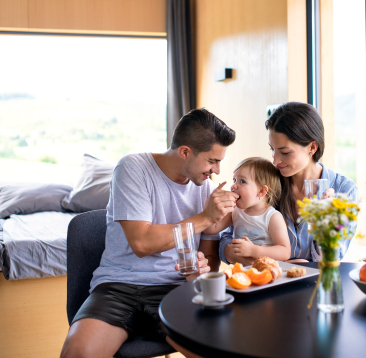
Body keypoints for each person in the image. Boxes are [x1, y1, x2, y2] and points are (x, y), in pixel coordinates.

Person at [61, 108, 238, 358]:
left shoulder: (205, 190)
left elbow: (208, 261)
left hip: (175, 290)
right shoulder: (133, 168)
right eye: (212, 161)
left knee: (223, 350)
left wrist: (201, 267)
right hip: (119, 285)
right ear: (185, 151)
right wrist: (204, 218)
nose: (217, 170)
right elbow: (141, 243)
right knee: (77, 354)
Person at [220, 102, 358, 266]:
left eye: (285, 152)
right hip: (269, 282)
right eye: (272, 149)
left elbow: (332, 259)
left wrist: (326, 228)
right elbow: (228, 234)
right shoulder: (267, 184)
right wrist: (231, 252)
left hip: (315, 284)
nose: (275, 160)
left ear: (312, 147)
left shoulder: (344, 191)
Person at [203, 157, 290, 262]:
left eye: (242, 181)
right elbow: (210, 230)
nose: (234, 185)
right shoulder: (234, 211)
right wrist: (210, 204)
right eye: (234, 180)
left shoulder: (272, 217)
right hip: (243, 274)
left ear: (261, 191)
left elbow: (285, 252)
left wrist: (254, 251)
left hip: (268, 271)